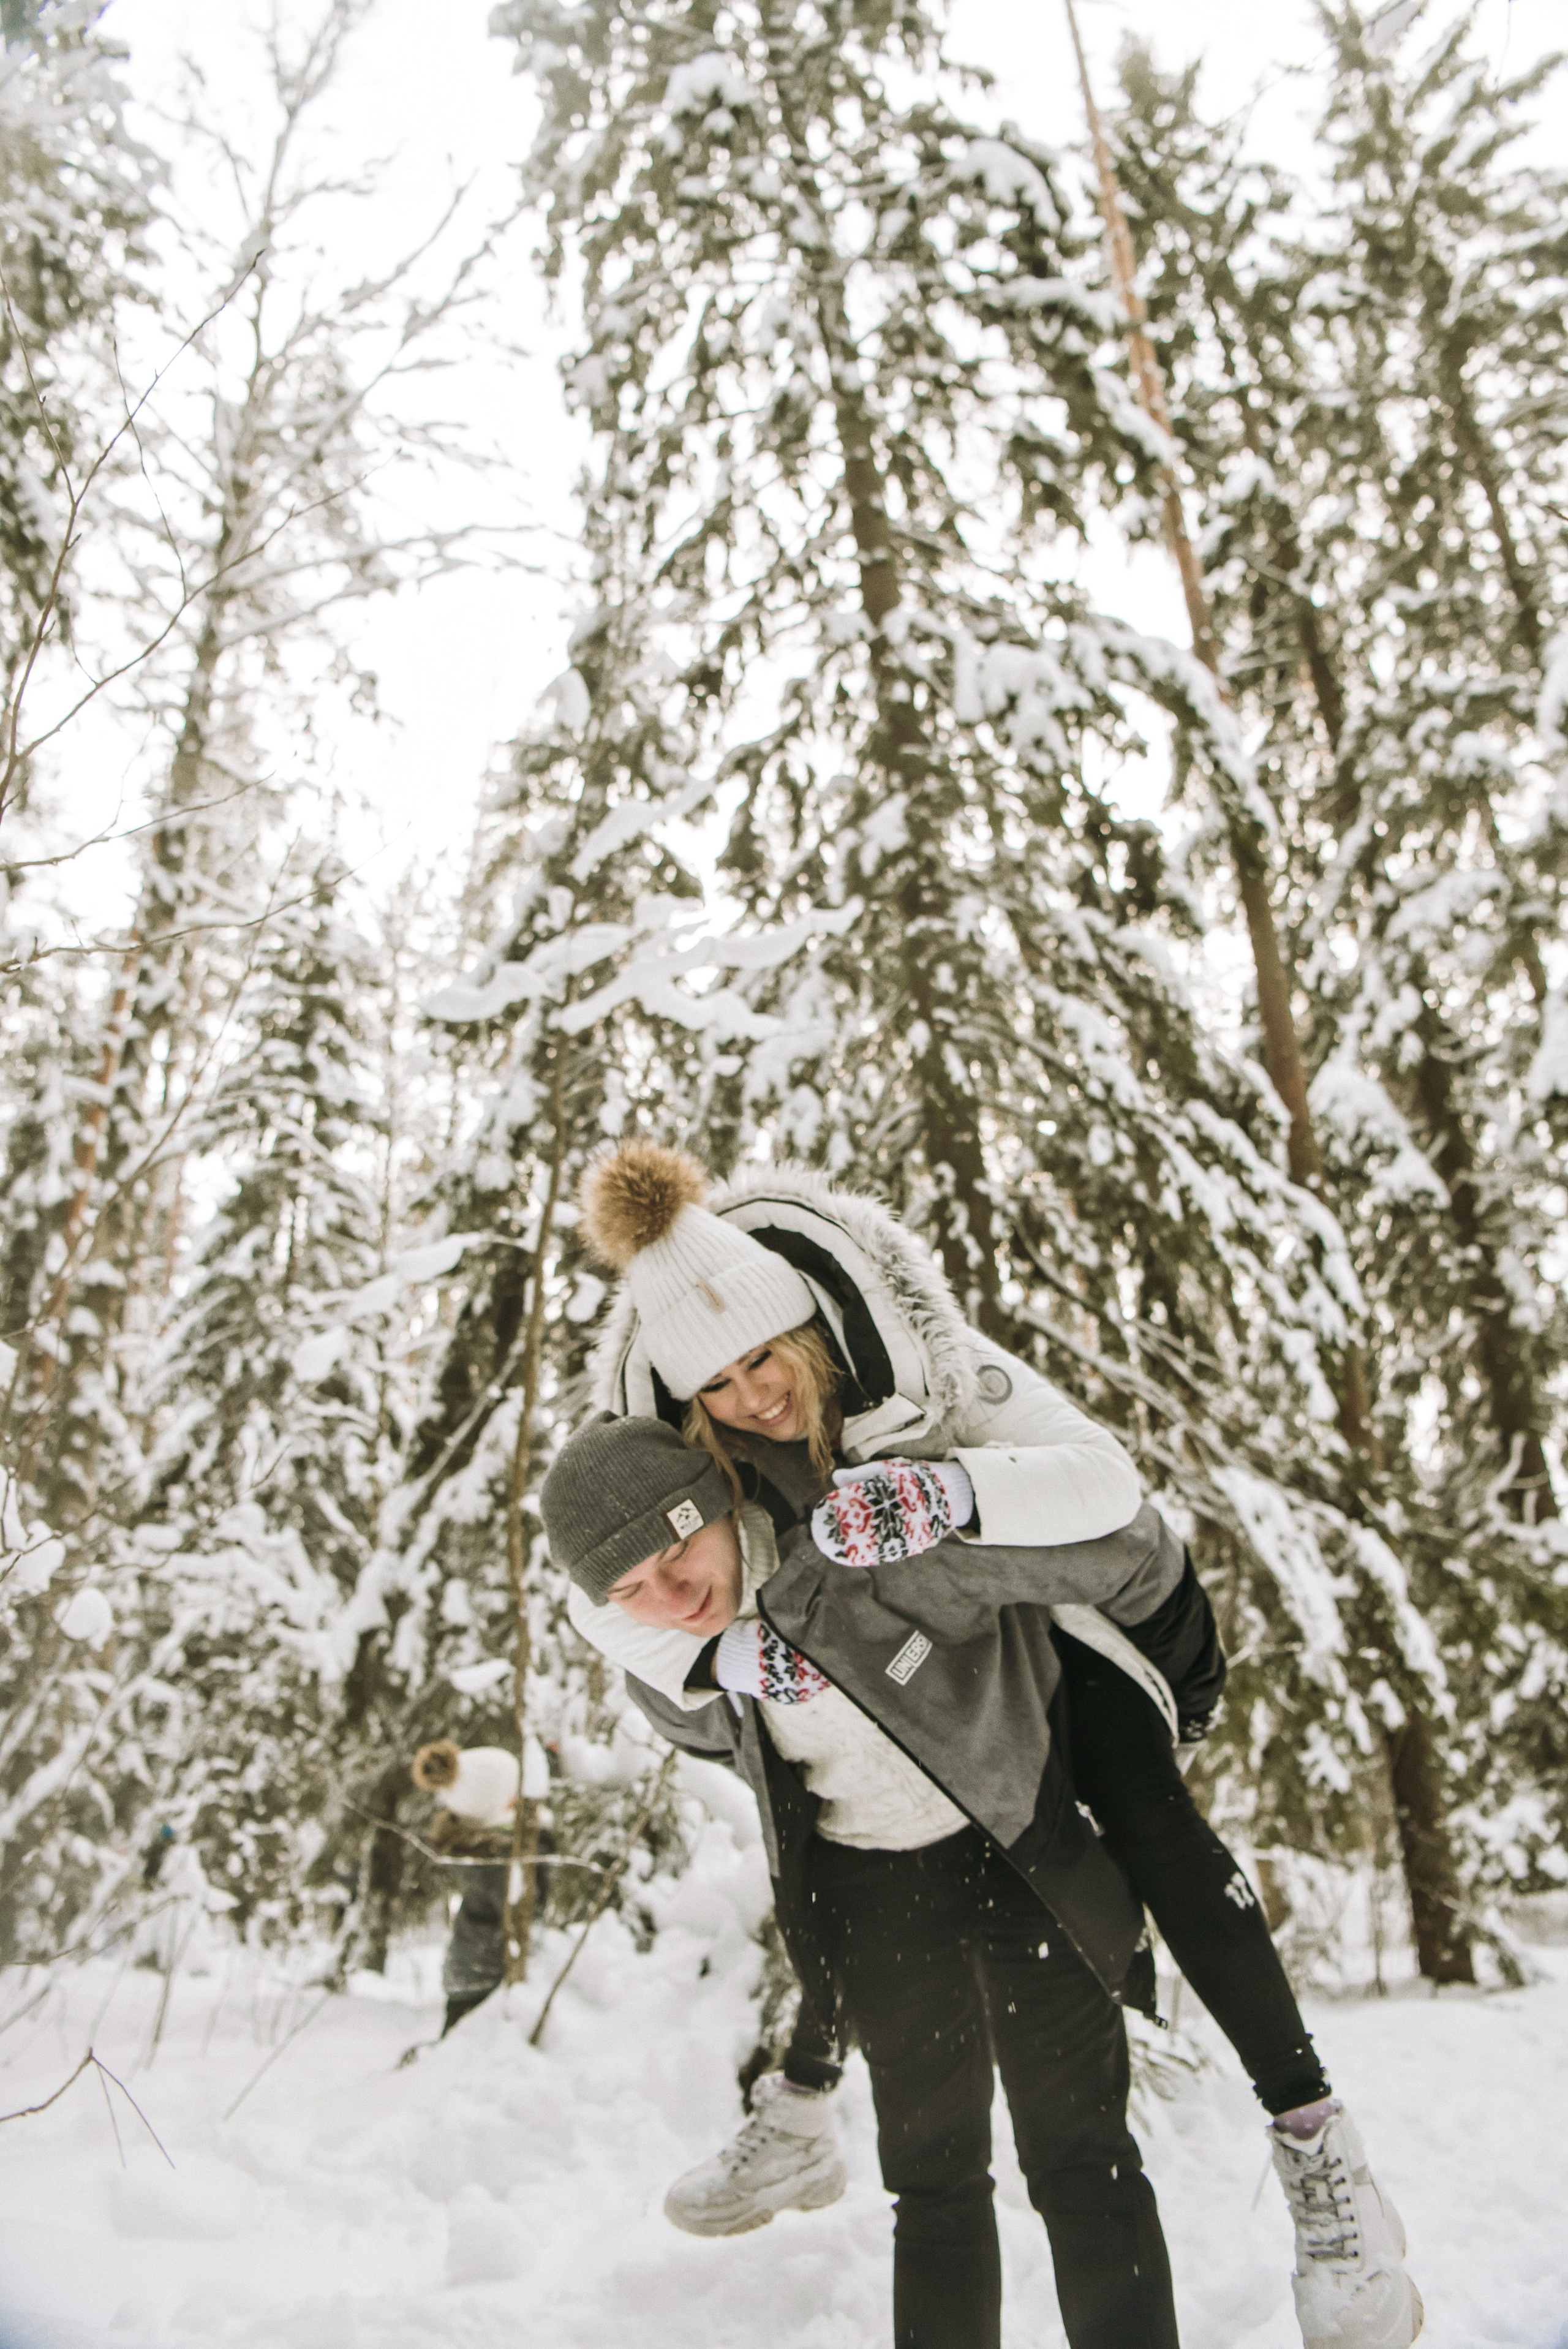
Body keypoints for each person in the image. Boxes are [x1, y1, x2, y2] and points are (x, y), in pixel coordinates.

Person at [564, 1140, 1422, 2349]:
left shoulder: (941, 1376)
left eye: (764, 1356)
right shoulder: (698, 1490)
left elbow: (1106, 1489)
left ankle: (1314, 2142)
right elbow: (596, 1592)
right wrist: (719, 1657)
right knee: (842, 1831)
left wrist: (949, 1493)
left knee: (1139, 1822)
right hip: (904, 1795)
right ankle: (802, 2100)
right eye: (715, 1383)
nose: (752, 1395)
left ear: (809, 1322)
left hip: (1068, 1648)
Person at [543, 1409, 1190, 2349]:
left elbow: (1110, 1550)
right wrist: (702, 1658)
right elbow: (676, 1696)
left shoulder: (854, 1537)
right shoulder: (683, 1657)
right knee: (933, 2183)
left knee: (1082, 2162)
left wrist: (1171, 1703)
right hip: (884, 1894)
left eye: (678, 1549)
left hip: (1022, 1859)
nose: (674, 1595)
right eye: (633, 1589)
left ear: (718, 1500)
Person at [410, 1740, 519, 2035]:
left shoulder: (478, 1842)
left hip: (470, 1969)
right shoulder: (497, 1859)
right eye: (516, 1790)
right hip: (482, 1977)